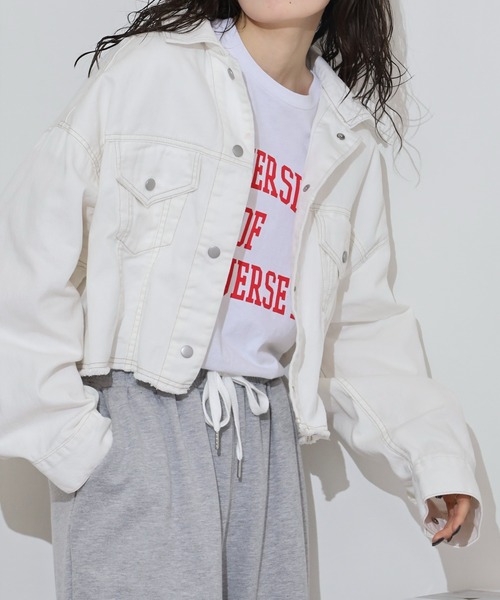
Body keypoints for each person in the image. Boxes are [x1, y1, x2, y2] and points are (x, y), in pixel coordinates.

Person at [0, 0, 482, 598]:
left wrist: (436, 460)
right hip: (142, 425)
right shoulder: (152, 71)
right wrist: (73, 445)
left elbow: (360, 329)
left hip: (266, 438)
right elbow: (24, 256)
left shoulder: (347, 138)